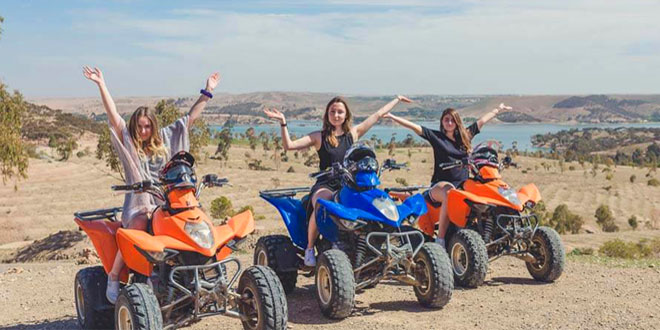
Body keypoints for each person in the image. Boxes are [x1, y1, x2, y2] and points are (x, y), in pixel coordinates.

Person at [82, 66, 220, 303]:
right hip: (140, 202)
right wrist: (101, 84)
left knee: (198, 218)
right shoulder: (130, 142)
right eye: (140, 127)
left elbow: (190, 118)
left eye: (147, 126)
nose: (144, 131)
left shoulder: (166, 138)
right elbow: (114, 117)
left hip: (167, 201)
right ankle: (115, 276)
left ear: (153, 126)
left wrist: (207, 91)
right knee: (139, 224)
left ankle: (205, 274)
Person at [264, 95, 412, 266]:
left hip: (350, 184)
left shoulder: (352, 134)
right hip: (326, 183)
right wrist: (283, 122)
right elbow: (289, 145)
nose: (336, 115)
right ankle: (310, 249)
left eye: (340, 112)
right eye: (332, 111)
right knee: (322, 203)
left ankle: (371, 245)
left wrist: (397, 99)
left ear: (346, 115)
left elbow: (377, 115)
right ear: (327, 114)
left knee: (374, 201)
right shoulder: (319, 136)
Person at [384, 103, 512, 246]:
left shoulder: (465, 137)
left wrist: (498, 109)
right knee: (449, 193)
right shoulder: (436, 137)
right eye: (446, 119)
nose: (449, 123)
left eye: (452, 120)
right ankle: (441, 239)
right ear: (442, 122)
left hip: (463, 184)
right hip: (441, 185)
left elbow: (482, 121)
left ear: (457, 122)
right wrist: (393, 117)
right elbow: (414, 127)